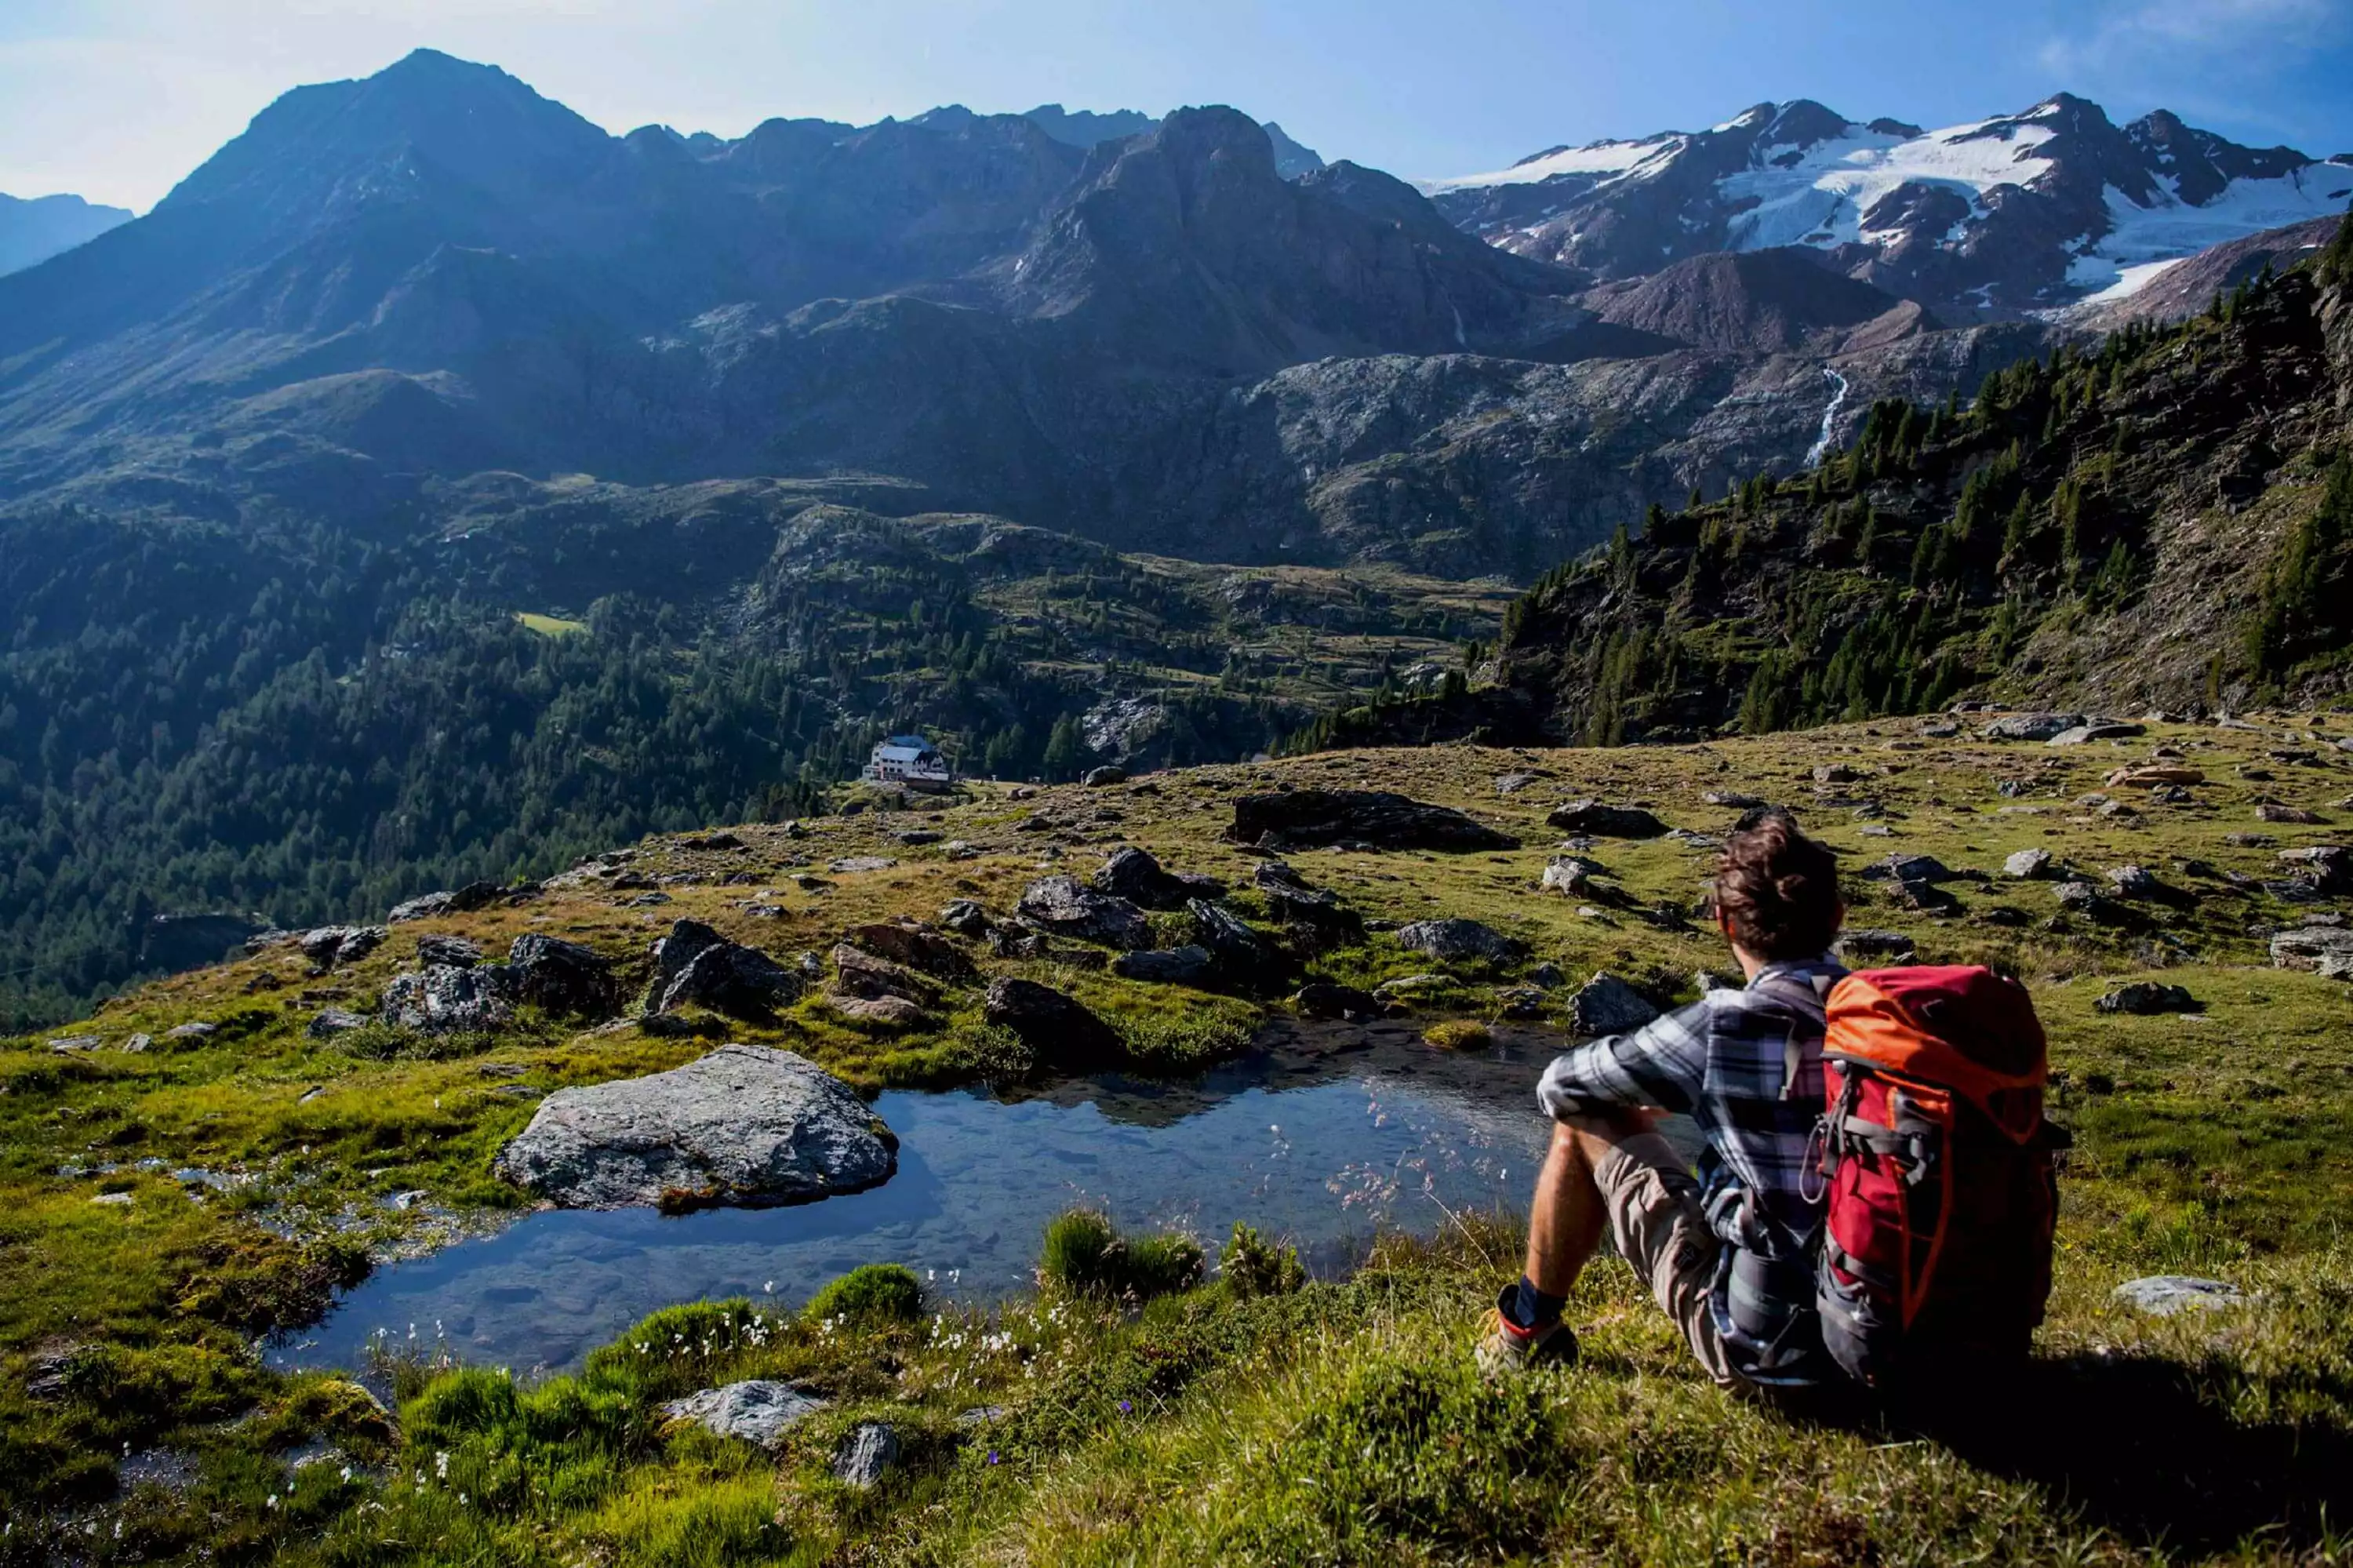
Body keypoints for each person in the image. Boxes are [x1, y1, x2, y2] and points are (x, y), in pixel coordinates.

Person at [1479, 807, 1846, 1392]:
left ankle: (1524, 1332)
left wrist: (1660, 1096)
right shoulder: (1894, 1025)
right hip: (1937, 1344)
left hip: (1780, 1355)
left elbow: (1558, 1085)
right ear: (1837, 916)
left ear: (1725, 922)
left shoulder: (1724, 1026)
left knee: (1583, 1117)